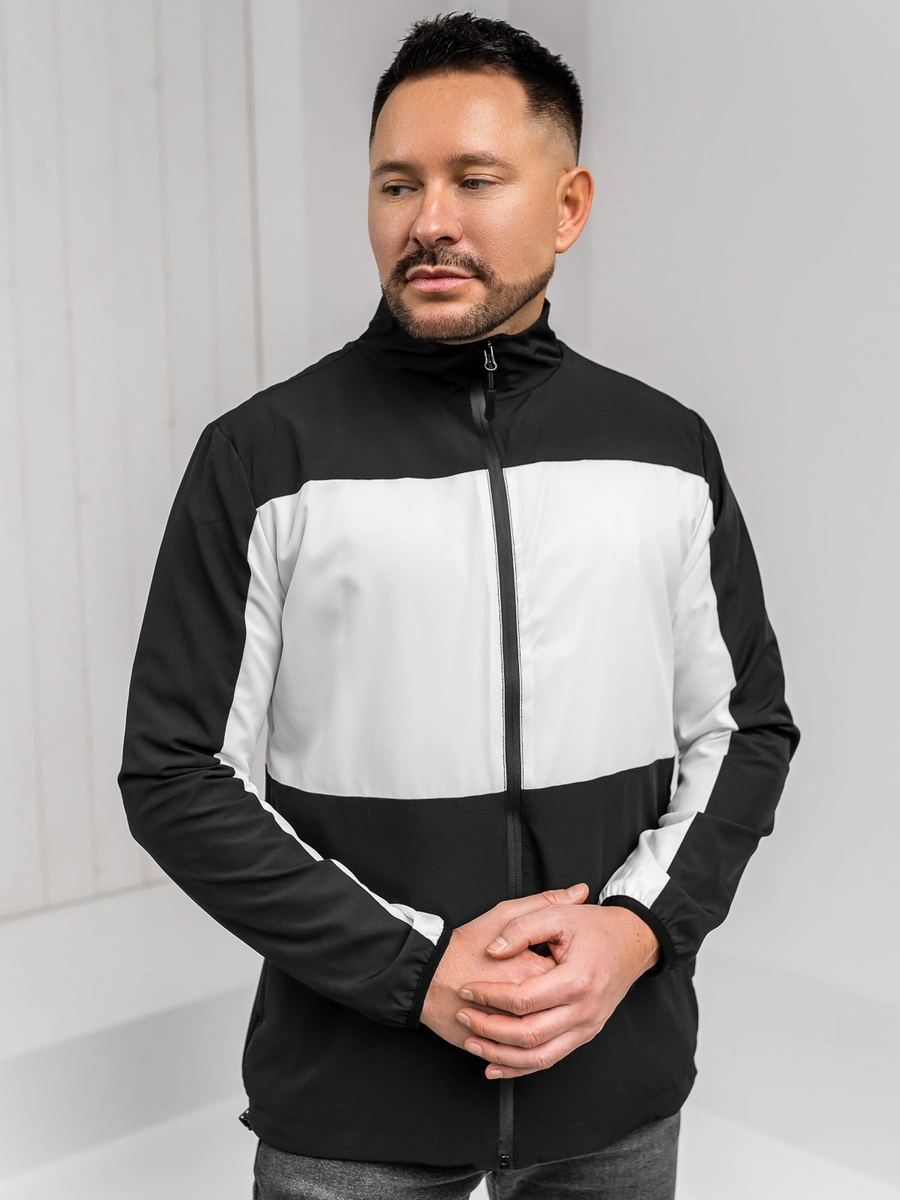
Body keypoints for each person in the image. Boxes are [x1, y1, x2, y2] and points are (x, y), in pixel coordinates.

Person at [118, 13, 800, 1200]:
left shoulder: (667, 451)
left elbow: (746, 733)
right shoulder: (263, 458)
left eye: (476, 180)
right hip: (354, 1109)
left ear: (568, 206)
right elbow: (175, 773)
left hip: (611, 1084)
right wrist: (416, 970)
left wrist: (633, 931)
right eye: (398, 184)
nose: (429, 220)